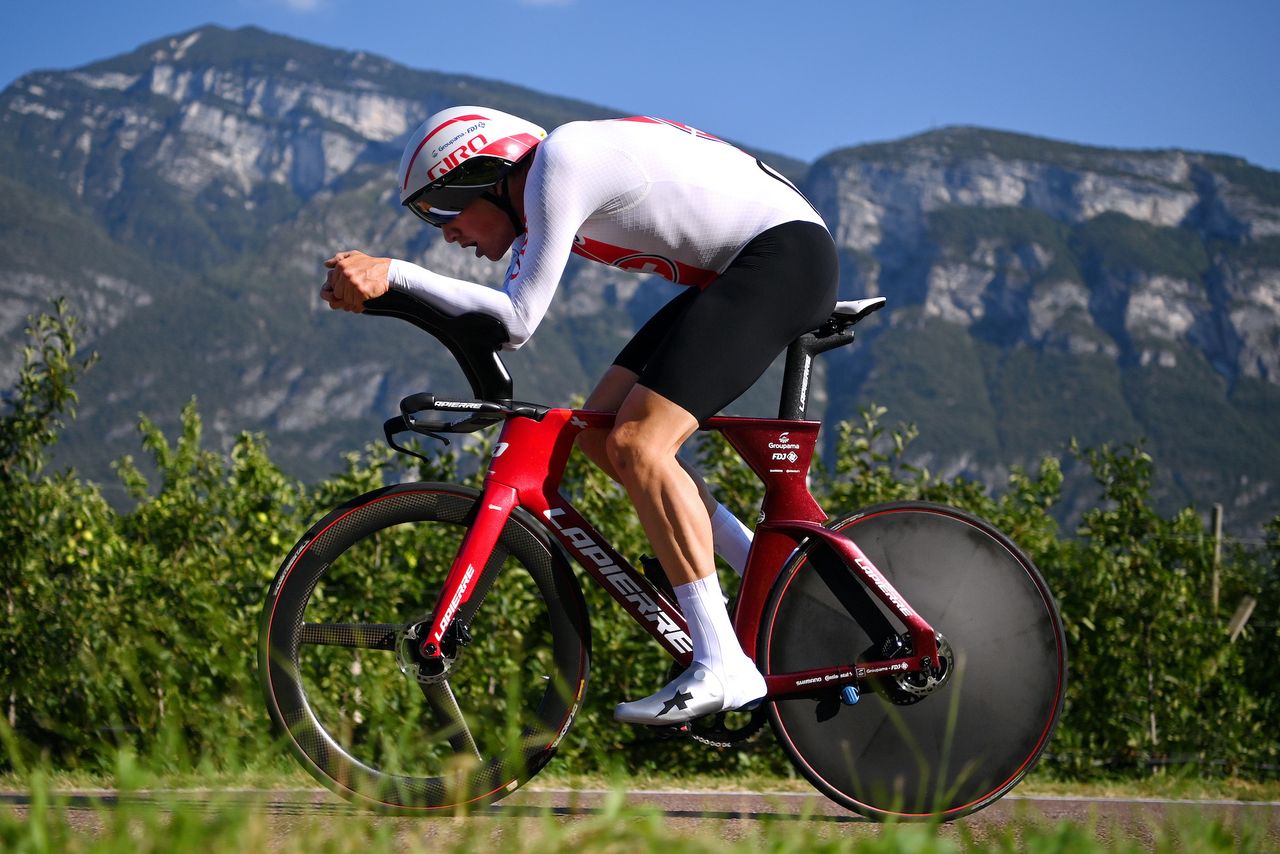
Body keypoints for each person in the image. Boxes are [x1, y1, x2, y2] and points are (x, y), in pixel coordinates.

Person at [321, 106, 838, 725]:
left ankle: (723, 659)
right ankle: (761, 571)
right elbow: (496, 322)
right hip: (748, 267)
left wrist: (395, 273)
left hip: (782, 258)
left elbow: (516, 321)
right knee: (601, 436)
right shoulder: (547, 187)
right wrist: (391, 294)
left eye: (441, 210)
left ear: (482, 177)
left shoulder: (557, 163)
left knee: (640, 444)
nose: (445, 234)